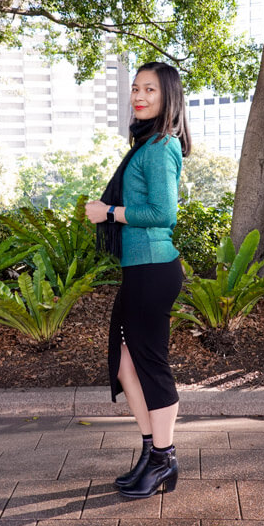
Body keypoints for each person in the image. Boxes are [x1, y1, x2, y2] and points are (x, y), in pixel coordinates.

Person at [85, 61, 191, 499]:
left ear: (168, 97)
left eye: (149, 89)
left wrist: (109, 212)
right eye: (135, 88)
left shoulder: (162, 146)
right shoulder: (143, 146)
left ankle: (165, 459)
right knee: (125, 362)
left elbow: (164, 215)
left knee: (150, 364)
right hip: (139, 270)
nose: (139, 95)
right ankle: (151, 451)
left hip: (154, 269)